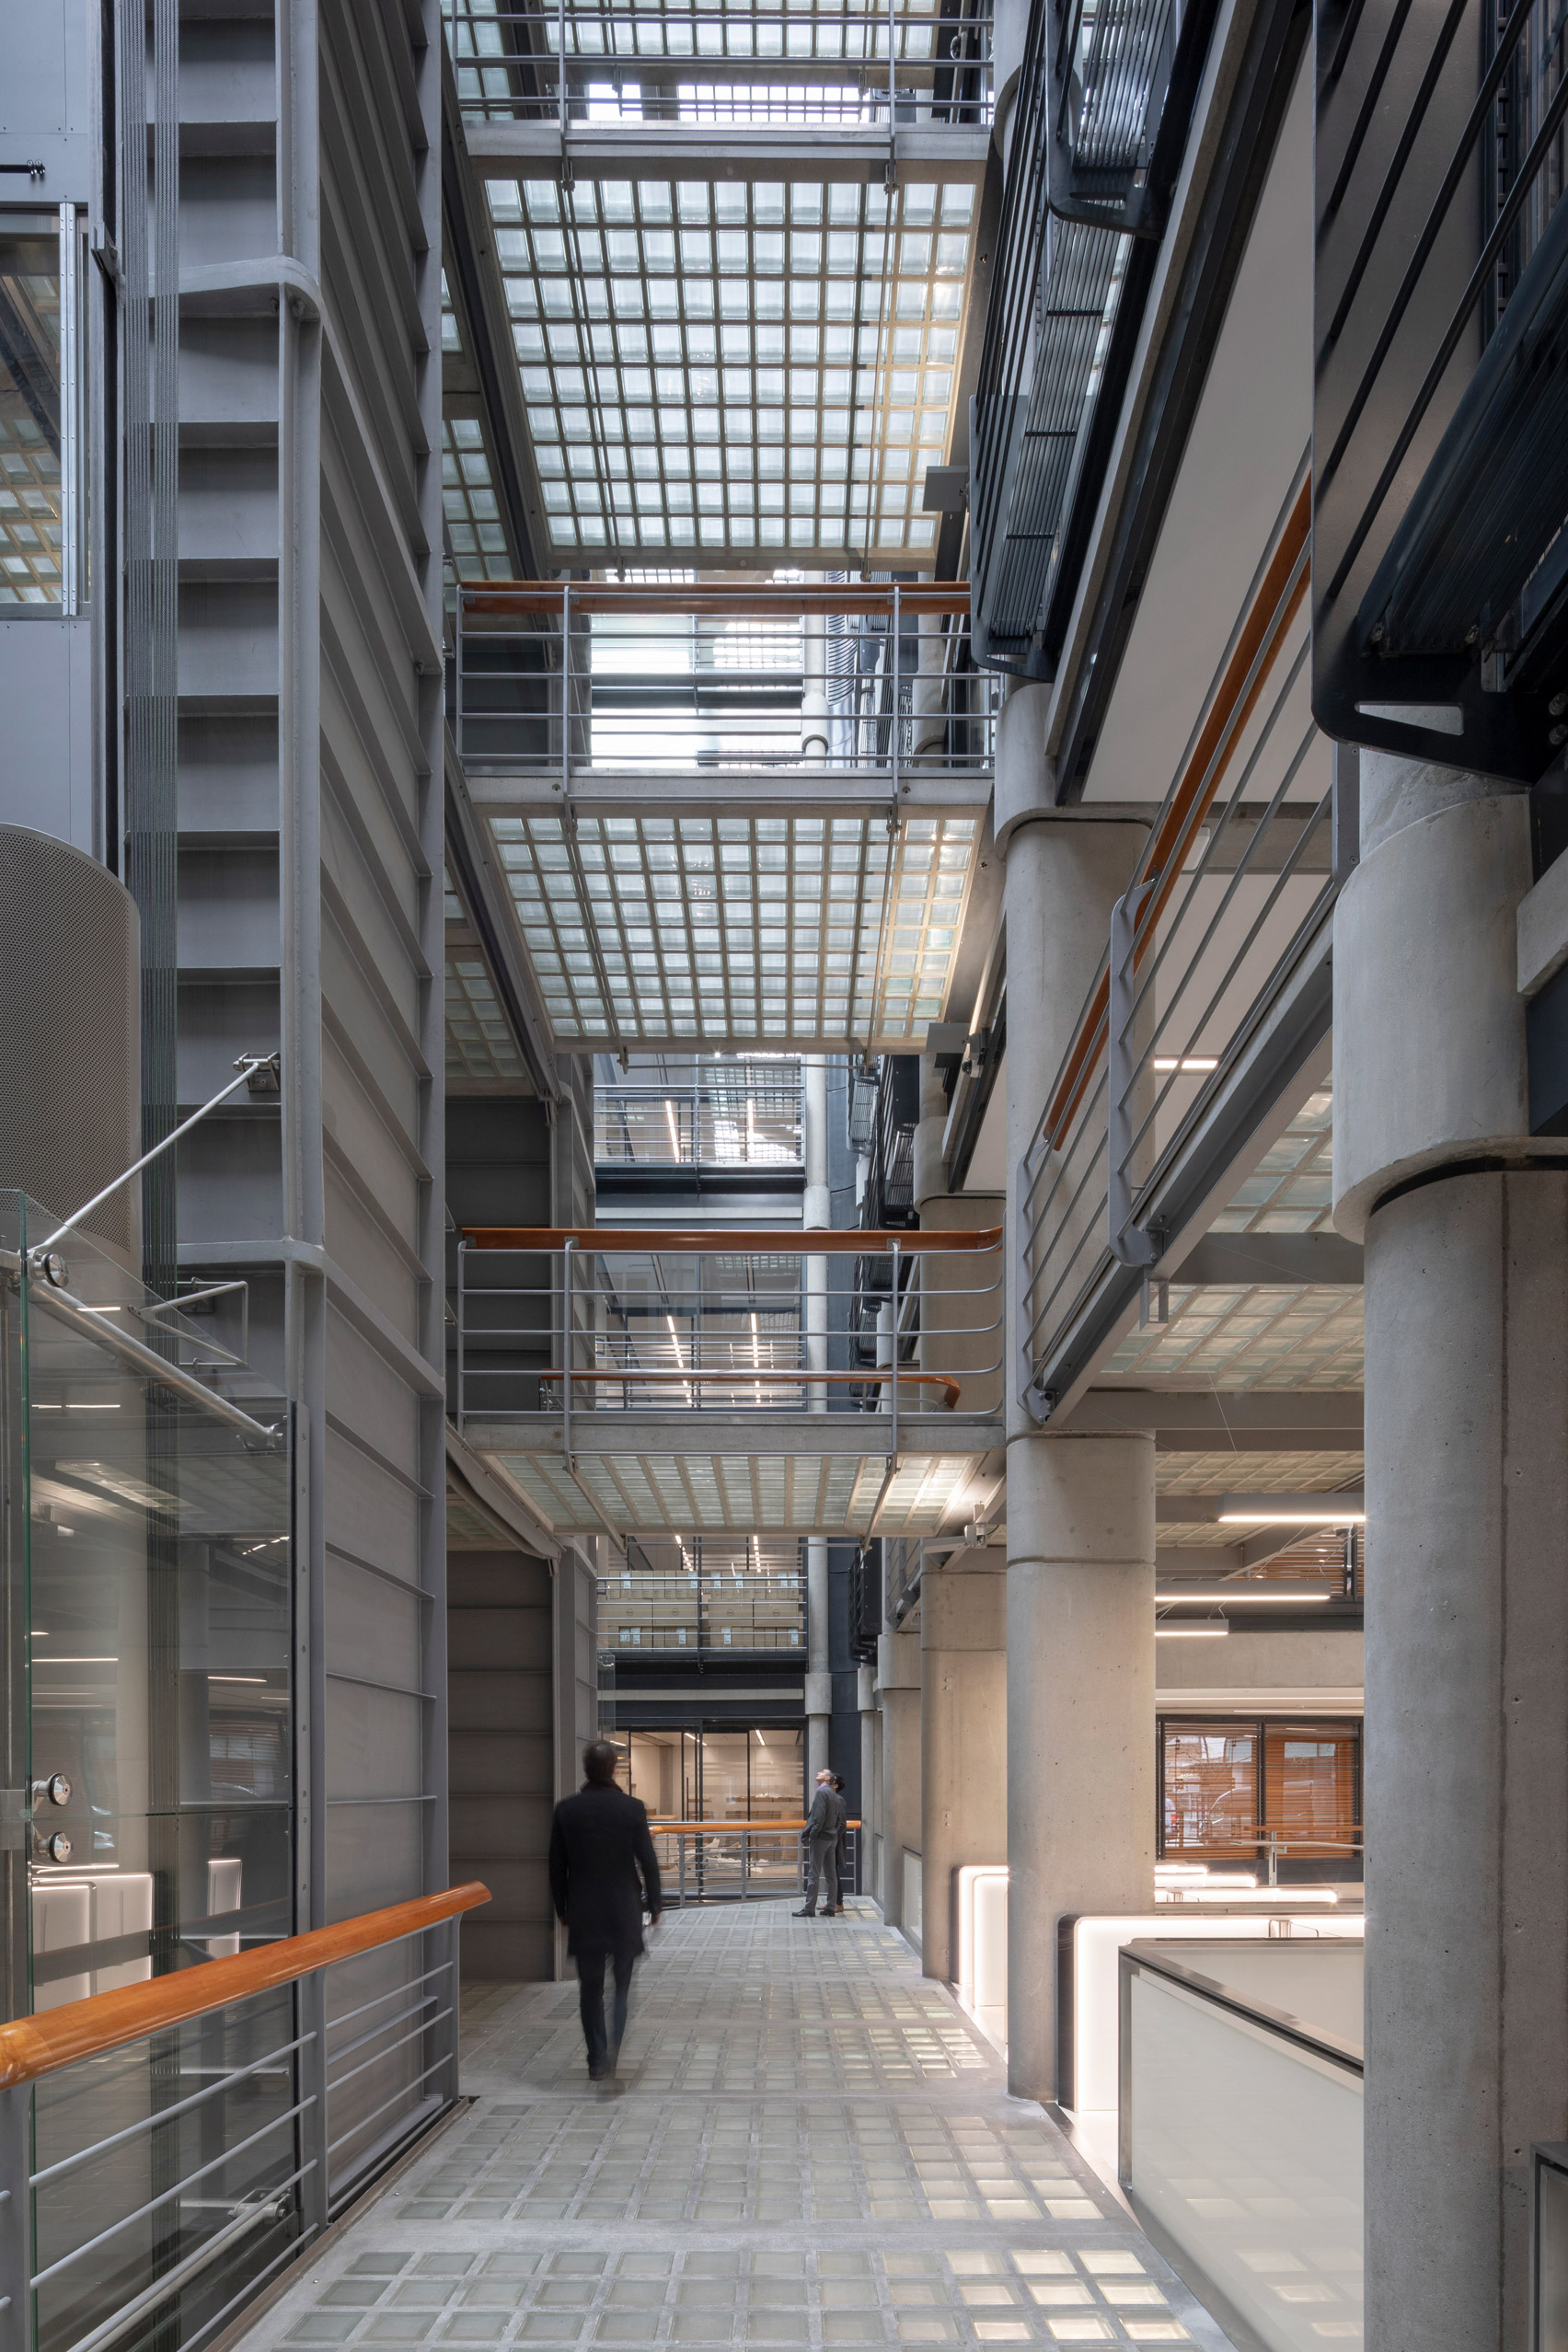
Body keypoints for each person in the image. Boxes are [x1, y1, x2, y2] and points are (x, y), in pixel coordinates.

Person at [548, 1740, 662, 2080]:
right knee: (622, 1986)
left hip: (584, 1908)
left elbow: (556, 1865)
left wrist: (561, 1908)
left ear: (586, 1768)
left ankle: (597, 2059)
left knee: (590, 1989)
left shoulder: (567, 1810)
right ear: (614, 1768)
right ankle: (613, 2050)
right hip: (623, 1908)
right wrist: (655, 1904)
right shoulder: (632, 1808)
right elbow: (648, 1861)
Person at [793, 1767, 845, 1918]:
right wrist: (833, 1832)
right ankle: (830, 1907)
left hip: (821, 1837)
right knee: (831, 1874)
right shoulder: (834, 1794)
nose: (818, 1773)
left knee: (813, 1873)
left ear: (827, 1778)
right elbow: (838, 1819)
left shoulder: (822, 1792)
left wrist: (813, 1835)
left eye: (821, 1772)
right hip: (831, 1837)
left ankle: (809, 1908)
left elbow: (818, 1817)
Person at [831, 1773, 850, 1913]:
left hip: (833, 1843)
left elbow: (842, 1824)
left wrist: (831, 1839)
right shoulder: (830, 1799)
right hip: (830, 1841)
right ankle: (834, 1902)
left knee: (833, 1872)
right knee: (831, 1872)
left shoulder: (838, 1800)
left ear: (835, 1785)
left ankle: (838, 1902)